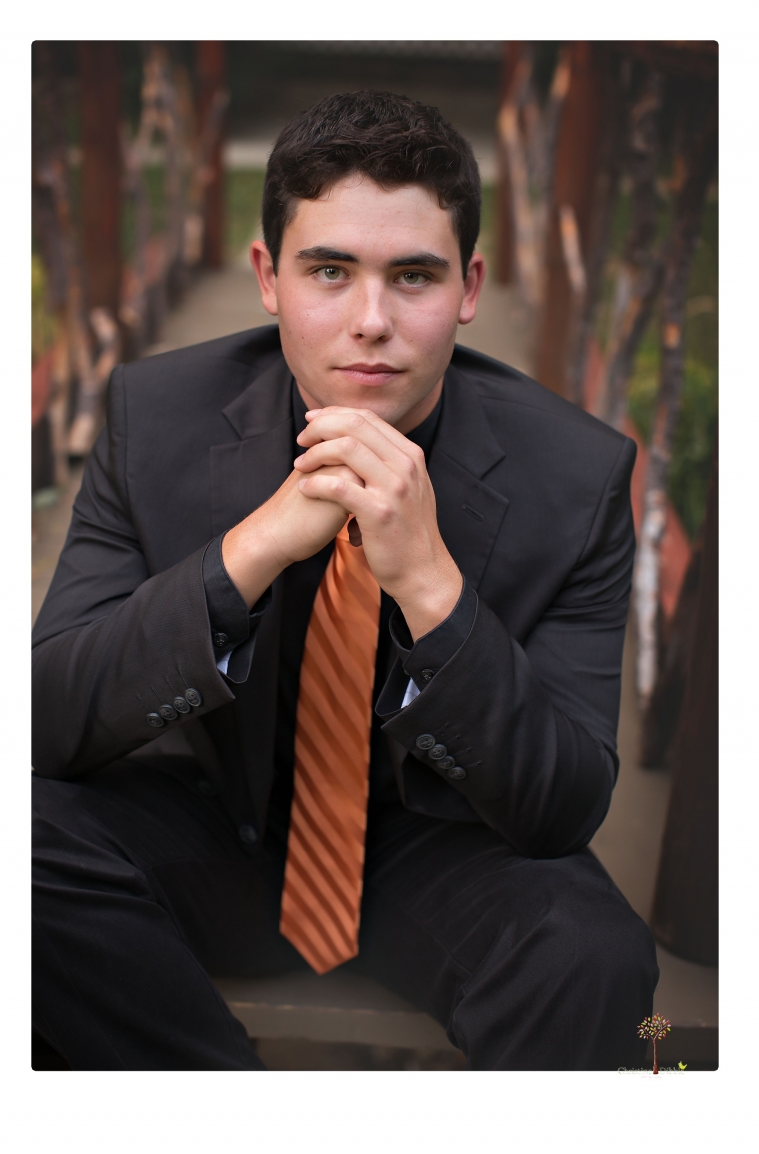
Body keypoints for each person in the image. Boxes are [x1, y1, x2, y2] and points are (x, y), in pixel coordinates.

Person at [32, 90, 658, 1071]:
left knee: (592, 952)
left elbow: (562, 804)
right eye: (330, 270)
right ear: (268, 276)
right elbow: (45, 717)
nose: (371, 321)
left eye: (412, 275)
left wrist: (433, 586)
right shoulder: (150, 417)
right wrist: (255, 548)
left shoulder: (578, 477)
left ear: (470, 285)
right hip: (207, 826)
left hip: (434, 852)